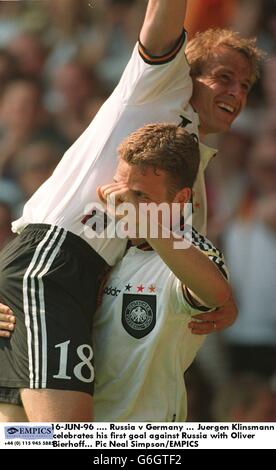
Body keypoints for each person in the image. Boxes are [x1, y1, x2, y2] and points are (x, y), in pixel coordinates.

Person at [0, 0, 262, 421]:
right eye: (223, 77)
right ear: (184, 72)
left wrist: (221, 301)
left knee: (23, 439)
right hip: (55, 262)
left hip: (75, 278)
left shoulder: (189, 164)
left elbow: (186, 264)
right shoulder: (156, 86)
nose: (236, 92)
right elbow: (162, 14)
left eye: (246, 85)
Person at [0, 123, 231, 422]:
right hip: (77, 415)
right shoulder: (105, 244)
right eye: (119, 189)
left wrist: (144, 222)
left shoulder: (189, 251)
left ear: (180, 198)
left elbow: (215, 293)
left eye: (140, 196)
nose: (124, 204)